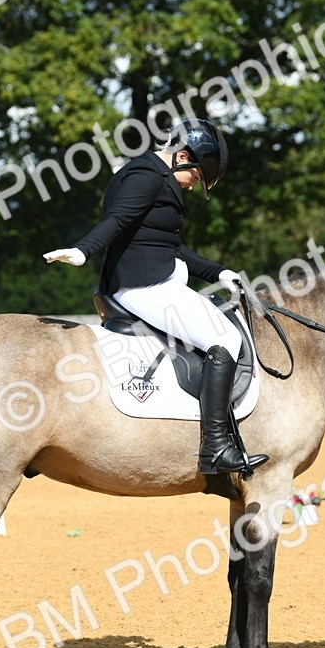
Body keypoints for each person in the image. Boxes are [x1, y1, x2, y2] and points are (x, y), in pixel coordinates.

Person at [42, 119, 267, 475]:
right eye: (196, 177)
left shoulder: (159, 178)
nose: (194, 187)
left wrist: (218, 272)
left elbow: (170, 245)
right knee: (224, 339)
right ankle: (216, 447)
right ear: (182, 156)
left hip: (156, 282)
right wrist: (84, 250)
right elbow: (117, 220)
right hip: (143, 287)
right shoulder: (146, 175)